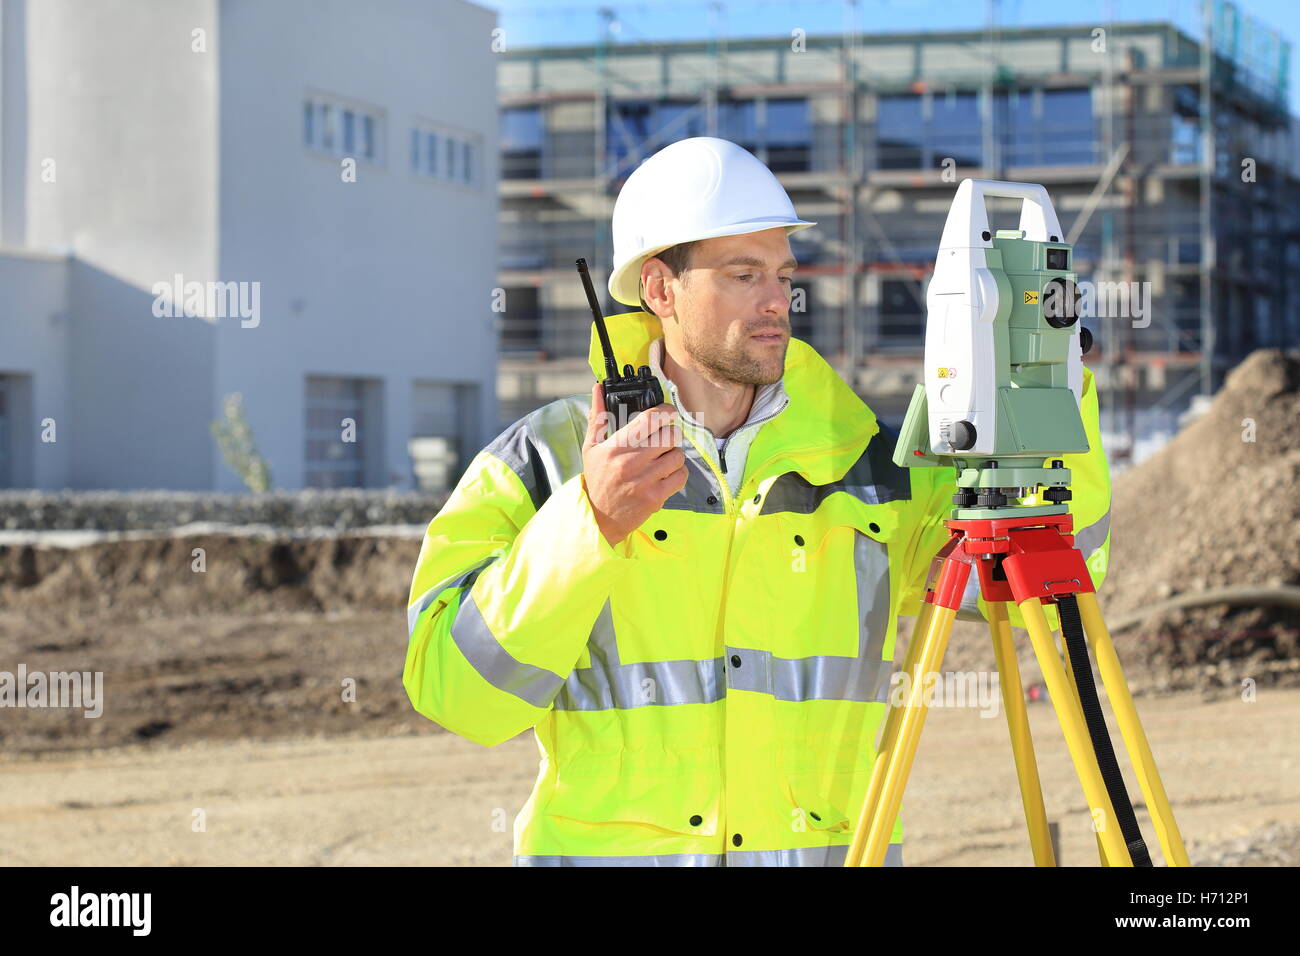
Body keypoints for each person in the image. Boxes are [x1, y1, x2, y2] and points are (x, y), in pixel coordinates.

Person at [404, 136, 1112, 866]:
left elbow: (1055, 573)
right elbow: (458, 696)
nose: (778, 299)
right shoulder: (545, 461)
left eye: (781, 272)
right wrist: (590, 524)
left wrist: (1055, 390)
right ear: (659, 289)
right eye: (744, 275)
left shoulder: (867, 461)